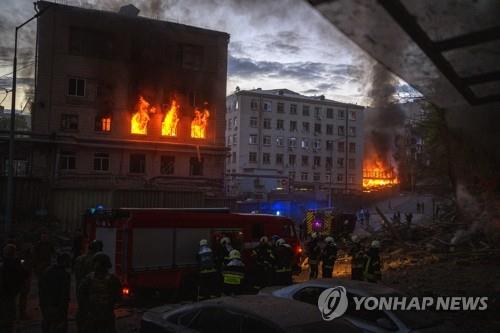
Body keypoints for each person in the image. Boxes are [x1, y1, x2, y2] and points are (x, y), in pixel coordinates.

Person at [77, 252, 122, 333]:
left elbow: (81, 295)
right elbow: (81, 295)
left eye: (96, 263)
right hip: (95, 314)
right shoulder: (90, 278)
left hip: (102, 314)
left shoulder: (90, 278)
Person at [39, 253, 72, 333]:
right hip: (58, 305)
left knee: (47, 323)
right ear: (64, 261)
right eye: (68, 261)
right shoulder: (64, 274)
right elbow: (64, 293)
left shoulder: (47, 271)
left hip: (46, 304)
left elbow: (41, 288)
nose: (69, 263)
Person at [0, 244, 28, 333]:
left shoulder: (5, 264)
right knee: (9, 315)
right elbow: (24, 274)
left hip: (7, 291)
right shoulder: (14, 263)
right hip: (10, 291)